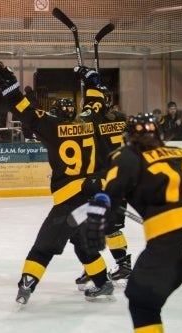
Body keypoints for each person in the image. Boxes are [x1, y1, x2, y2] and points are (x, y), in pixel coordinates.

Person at [72, 113, 182, 332]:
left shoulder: (126, 154)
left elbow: (109, 194)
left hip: (173, 242)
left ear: (128, 137)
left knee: (142, 302)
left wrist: (97, 212)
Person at [0, 63, 110, 306]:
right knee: (82, 242)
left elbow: (24, 110)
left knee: (44, 246)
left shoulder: (50, 125)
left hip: (69, 201)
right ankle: (102, 281)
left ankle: (27, 284)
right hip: (94, 197)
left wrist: (12, 89)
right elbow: (97, 102)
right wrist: (91, 80)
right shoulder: (89, 119)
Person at [74, 68, 131, 293]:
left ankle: (99, 267)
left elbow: (86, 115)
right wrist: (92, 85)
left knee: (93, 226)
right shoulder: (121, 119)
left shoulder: (93, 118)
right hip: (120, 178)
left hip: (101, 180)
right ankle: (119, 266)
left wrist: (90, 85)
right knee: (110, 226)